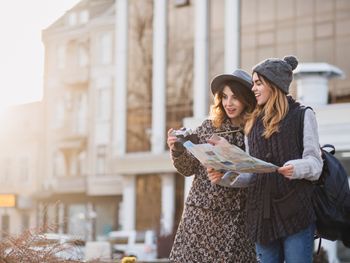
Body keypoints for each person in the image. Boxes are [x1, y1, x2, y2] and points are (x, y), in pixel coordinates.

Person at [209, 56, 323, 263]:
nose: (253, 89)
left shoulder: (303, 115)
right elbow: (254, 173)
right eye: (253, 83)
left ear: (274, 85)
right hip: (261, 216)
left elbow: (315, 164)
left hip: (296, 213)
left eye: (258, 83)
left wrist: (296, 168)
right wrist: (225, 177)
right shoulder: (252, 123)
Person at [167, 69, 257, 263]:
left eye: (235, 97)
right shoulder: (208, 126)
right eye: (224, 97)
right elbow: (188, 168)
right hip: (199, 215)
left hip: (235, 219)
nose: (228, 103)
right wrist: (177, 150)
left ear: (247, 99)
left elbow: (255, 171)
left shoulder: (253, 131)